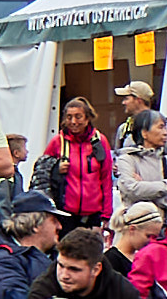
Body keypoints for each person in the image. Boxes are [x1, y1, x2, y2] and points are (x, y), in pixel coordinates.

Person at [41, 97, 119, 227]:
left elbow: (106, 178)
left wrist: (106, 214)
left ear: (87, 118)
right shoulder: (58, 142)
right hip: (64, 213)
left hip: (93, 214)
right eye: (69, 117)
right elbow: (41, 171)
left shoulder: (99, 142)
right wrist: (56, 169)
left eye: (78, 117)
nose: (73, 122)